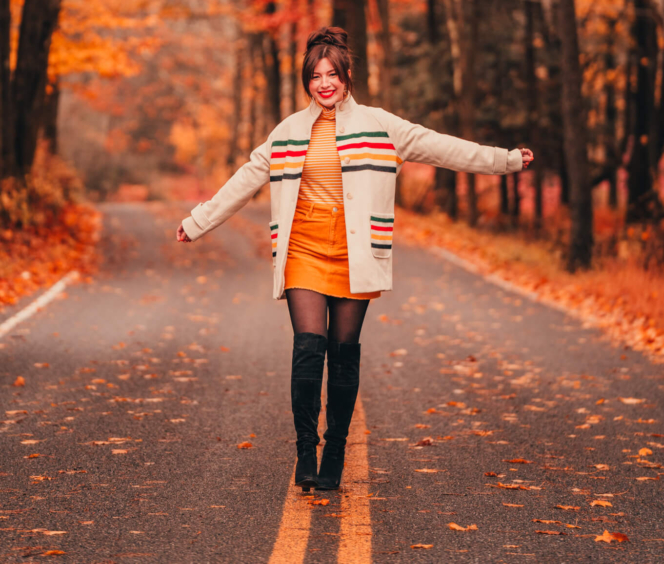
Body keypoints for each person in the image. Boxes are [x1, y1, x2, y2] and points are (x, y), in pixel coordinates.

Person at [176, 26, 533, 491]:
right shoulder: (287, 132)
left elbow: (443, 147)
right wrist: (198, 221)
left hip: (354, 250)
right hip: (302, 244)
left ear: (347, 76)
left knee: (344, 356)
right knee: (309, 349)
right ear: (307, 81)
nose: (325, 83)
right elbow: (245, 181)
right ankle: (306, 451)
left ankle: (336, 450)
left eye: (333, 74)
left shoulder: (381, 126)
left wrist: (505, 161)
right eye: (315, 76)